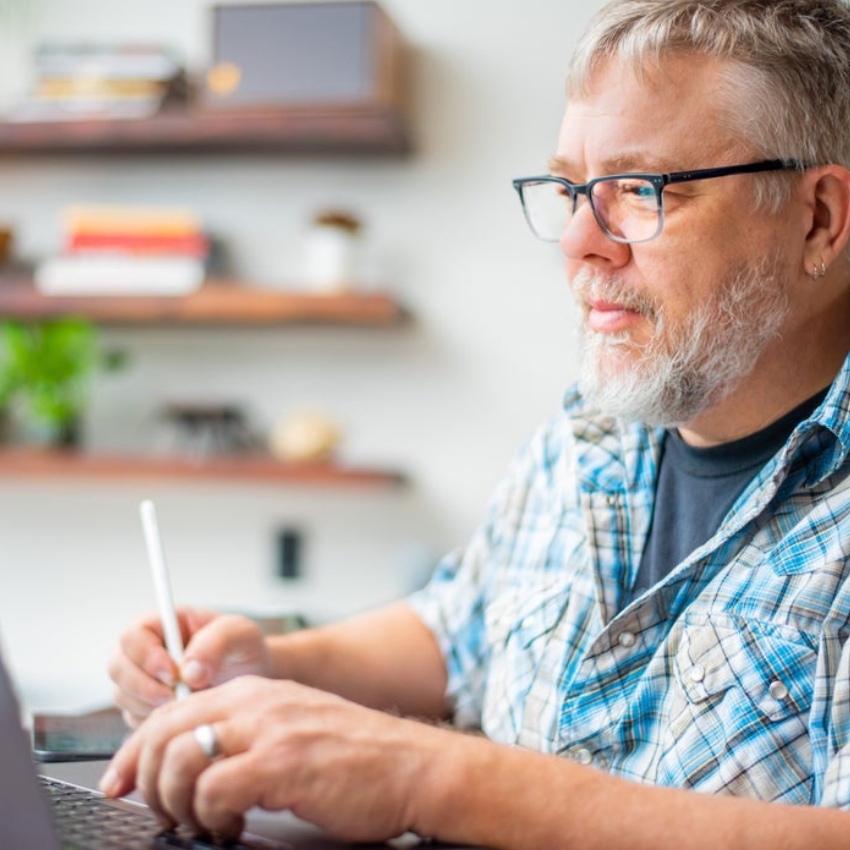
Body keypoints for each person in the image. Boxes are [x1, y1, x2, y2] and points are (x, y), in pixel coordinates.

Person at [102, 1, 850, 847]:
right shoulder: (590, 432)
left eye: (638, 191)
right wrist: (266, 669)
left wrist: (431, 776)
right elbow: (456, 629)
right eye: (572, 189)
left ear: (818, 218)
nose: (577, 242)